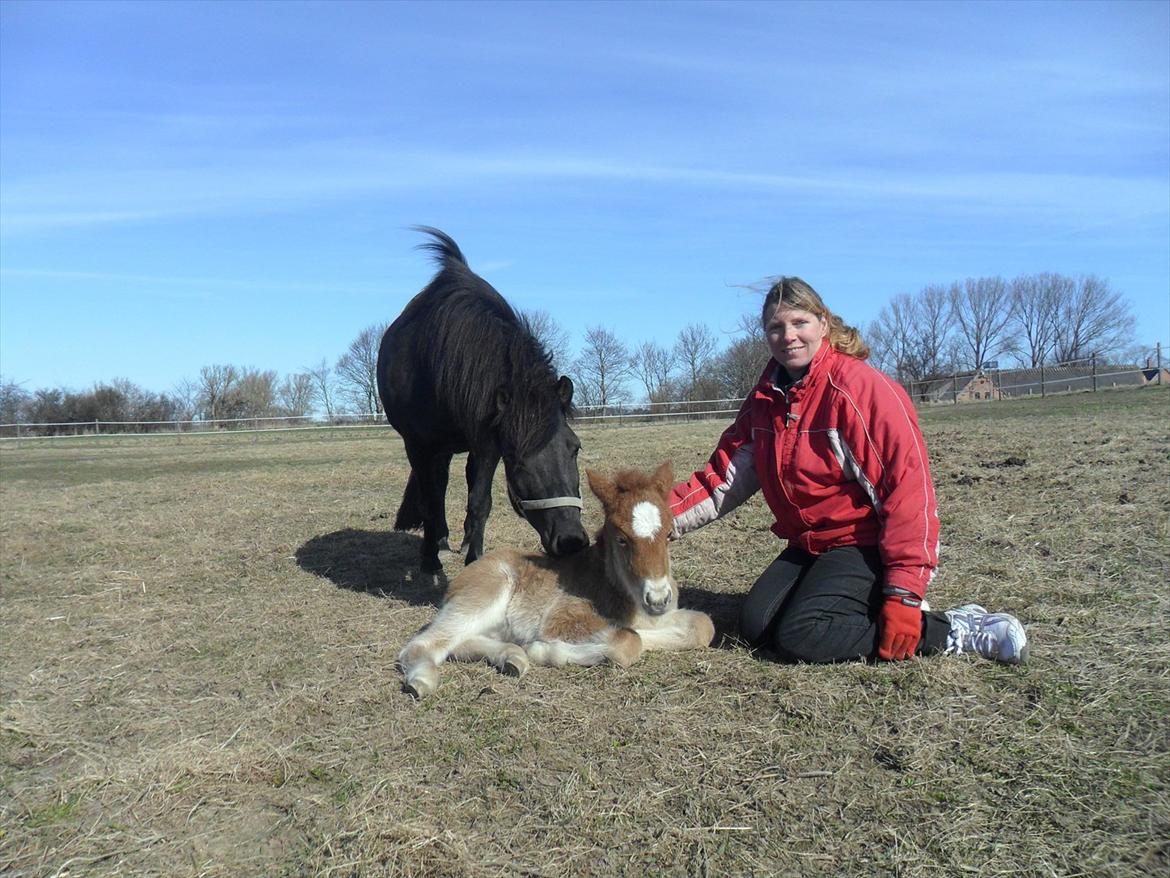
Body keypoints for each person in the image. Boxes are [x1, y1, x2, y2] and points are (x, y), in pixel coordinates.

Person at [669, 277, 1028, 664]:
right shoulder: (765, 400)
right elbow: (721, 480)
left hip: (865, 543)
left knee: (802, 635)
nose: (788, 336)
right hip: (810, 543)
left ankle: (957, 629)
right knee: (756, 626)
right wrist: (650, 520)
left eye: (799, 323)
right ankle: (857, 605)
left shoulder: (858, 390)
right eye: (776, 327)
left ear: (823, 323)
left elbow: (908, 493)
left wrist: (905, 592)